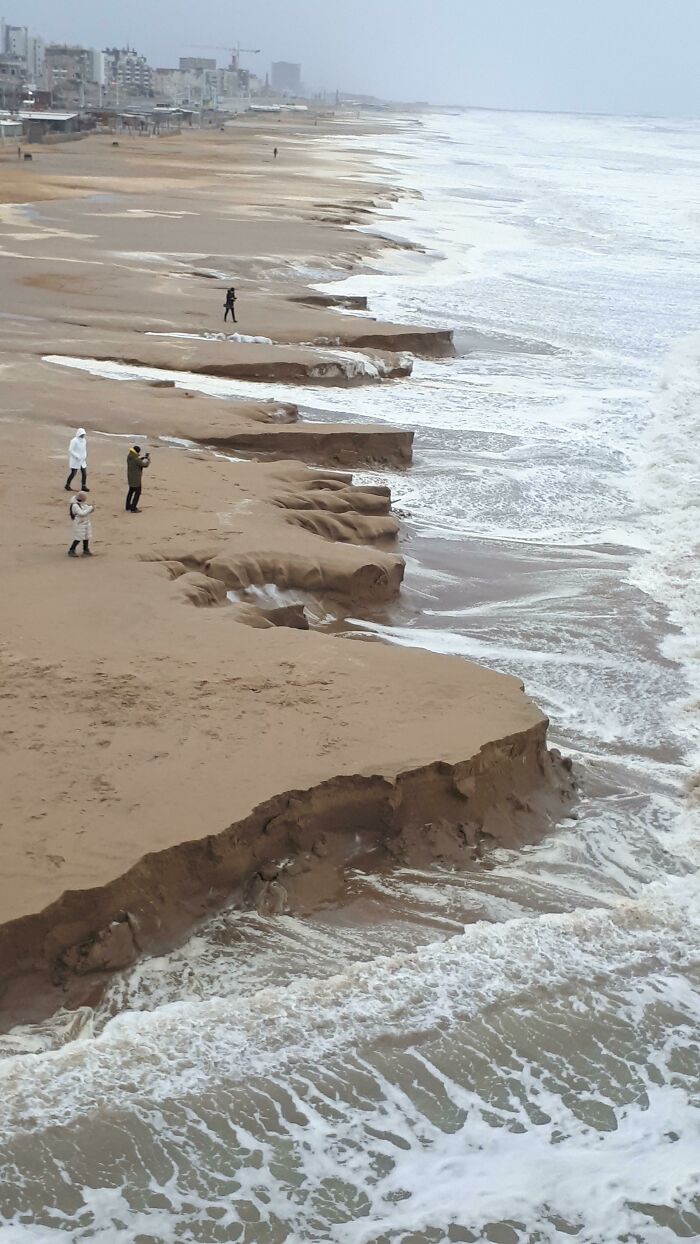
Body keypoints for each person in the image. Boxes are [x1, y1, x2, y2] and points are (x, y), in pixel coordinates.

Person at [68, 492, 94, 557]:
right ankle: (71, 550)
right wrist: (90, 508)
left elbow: (86, 508)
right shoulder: (75, 505)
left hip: (85, 522)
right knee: (79, 537)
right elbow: (81, 513)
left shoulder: (81, 503)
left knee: (86, 536)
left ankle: (86, 550)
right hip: (79, 523)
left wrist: (91, 508)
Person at [126, 444, 150, 512]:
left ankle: (128, 506)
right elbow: (145, 465)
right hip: (136, 479)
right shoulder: (136, 459)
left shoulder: (129, 456)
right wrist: (148, 460)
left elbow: (136, 461)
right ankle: (133, 508)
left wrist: (141, 458)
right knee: (137, 493)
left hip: (130, 477)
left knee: (130, 492)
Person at [65, 428, 89, 492]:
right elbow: (70, 450)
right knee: (73, 473)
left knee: (84, 473)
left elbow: (84, 449)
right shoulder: (74, 440)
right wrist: (77, 456)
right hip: (75, 460)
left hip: (82, 460)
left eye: (84, 434)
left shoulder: (84, 440)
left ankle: (83, 486)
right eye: (82, 434)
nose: (83, 436)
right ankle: (67, 485)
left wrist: (85, 455)